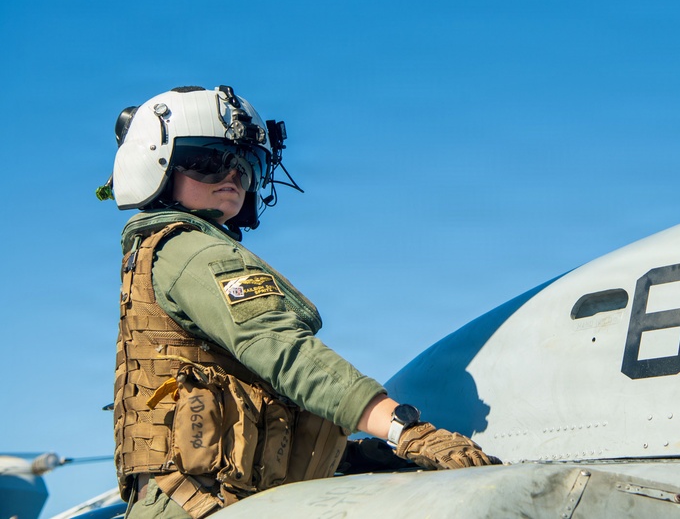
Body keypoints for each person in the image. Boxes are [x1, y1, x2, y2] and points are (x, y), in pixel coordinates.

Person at [100, 85, 500, 519]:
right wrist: (405, 429)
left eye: (246, 164)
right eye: (210, 162)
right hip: (203, 503)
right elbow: (284, 352)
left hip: (193, 498)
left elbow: (243, 410)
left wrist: (350, 455)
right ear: (157, 165)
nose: (233, 176)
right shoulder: (193, 252)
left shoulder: (158, 254)